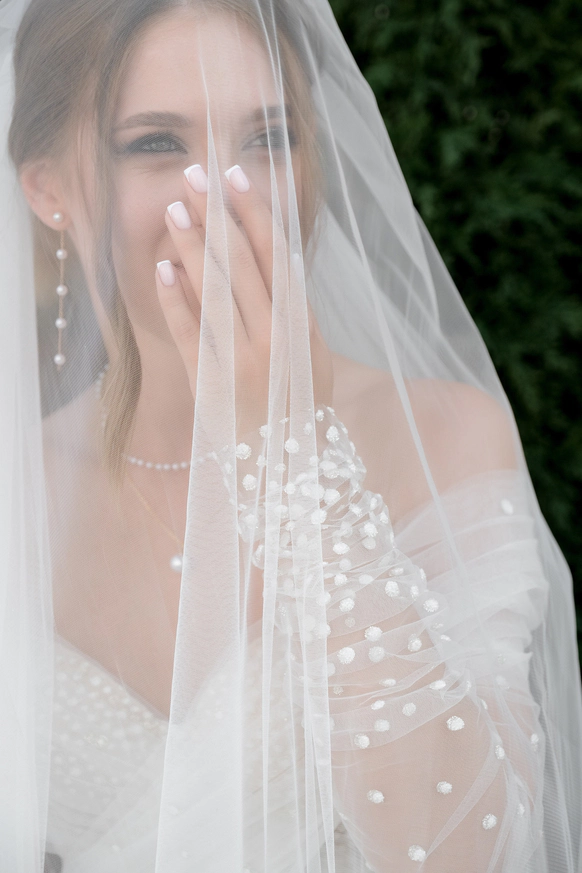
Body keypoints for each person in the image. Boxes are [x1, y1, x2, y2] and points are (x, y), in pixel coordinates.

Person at [0, 0, 580, 870]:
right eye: (156, 142)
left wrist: (293, 459)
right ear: (47, 187)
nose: (226, 190)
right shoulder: (18, 492)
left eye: (269, 139)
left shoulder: (447, 436)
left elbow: (474, 852)